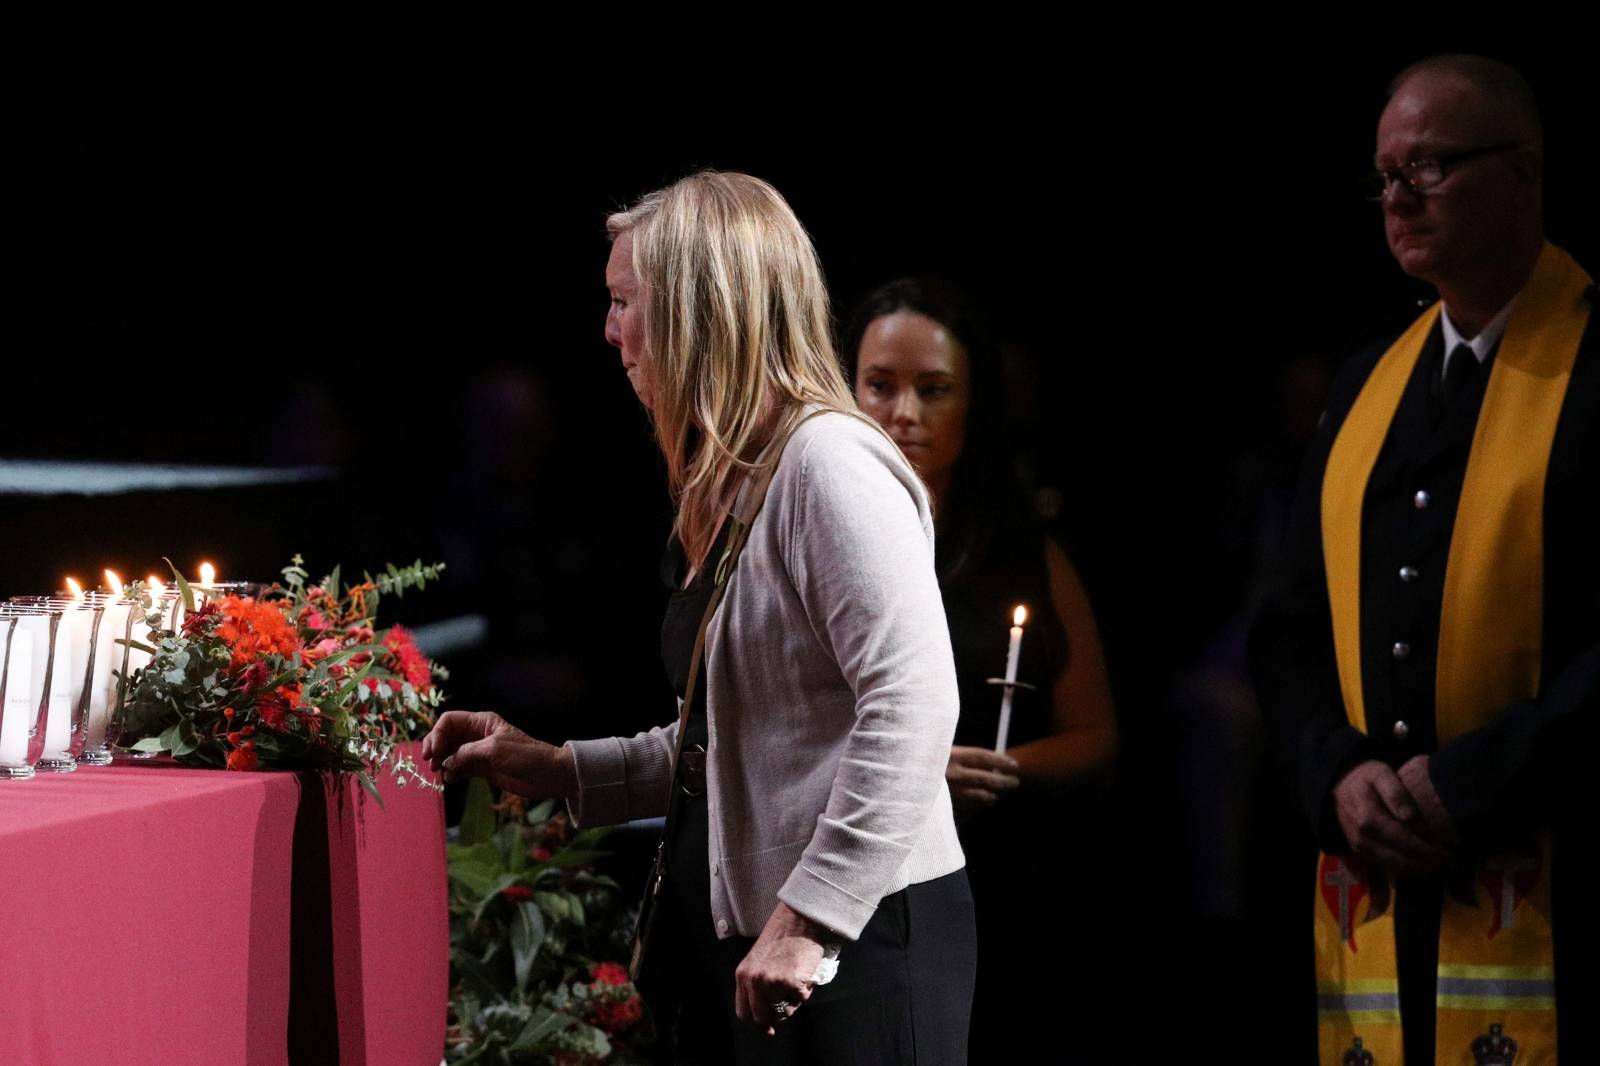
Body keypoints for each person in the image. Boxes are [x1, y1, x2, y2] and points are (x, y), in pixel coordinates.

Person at [423, 172, 975, 1065]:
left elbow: (913, 705)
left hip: (855, 949)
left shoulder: (826, 465)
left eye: (623, 301)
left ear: (696, 308)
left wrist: (811, 917)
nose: (608, 330)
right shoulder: (749, 479)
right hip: (784, 950)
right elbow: (734, 744)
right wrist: (560, 769)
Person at [1250, 55, 1596, 1064]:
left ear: (1522, 174)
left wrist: (1475, 781)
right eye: (1385, 175)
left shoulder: (1593, 366)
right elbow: (1286, 621)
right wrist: (1338, 771)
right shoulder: (1366, 384)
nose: (1397, 197)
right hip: (1381, 869)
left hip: (1548, 858)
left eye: (1430, 167)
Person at [844, 279, 1117, 1054]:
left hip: (997, 884)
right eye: (880, 386)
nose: (904, 414)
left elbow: (1095, 737)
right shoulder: (807, 544)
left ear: (974, 404)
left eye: (934, 391)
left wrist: (1006, 770)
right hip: (848, 885)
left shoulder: (1025, 555)